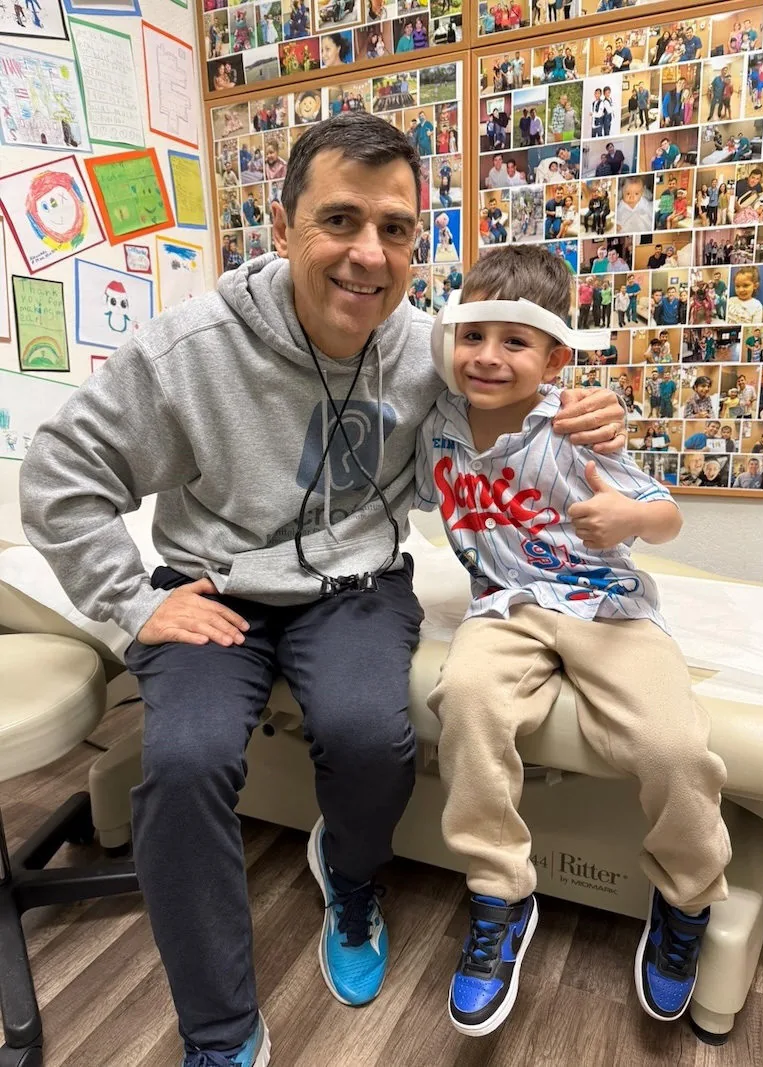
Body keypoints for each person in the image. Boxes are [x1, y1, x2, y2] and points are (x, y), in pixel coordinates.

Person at [18, 114, 626, 1066]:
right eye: (340, 219)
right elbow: (59, 477)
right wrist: (135, 601)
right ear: (282, 222)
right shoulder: (189, 352)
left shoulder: (427, 347)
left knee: (370, 732)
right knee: (179, 766)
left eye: (396, 231)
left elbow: (511, 396)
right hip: (215, 584)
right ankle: (220, 1034)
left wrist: (583, 410)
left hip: (355, 583)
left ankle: (350, 879)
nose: (368, 256)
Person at [414, 244, 730, 1037]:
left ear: (554, 355)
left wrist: (628, 519)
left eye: (515, 341)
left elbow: (665, 514)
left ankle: (686, 895)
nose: (487, 356)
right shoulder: (436, 424)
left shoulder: (578, 420)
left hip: (604, 602)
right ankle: (500, 892)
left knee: (674, 745)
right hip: (505, 604)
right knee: (466, 702)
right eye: (473, 334)